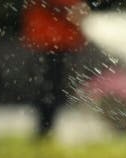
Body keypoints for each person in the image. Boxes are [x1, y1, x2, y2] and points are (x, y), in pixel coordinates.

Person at [22, 0, 90, 137]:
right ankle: (44, 129)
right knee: (48, 88)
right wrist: (68, 9)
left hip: (62, 41)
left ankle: (47, 129)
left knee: (54, 87)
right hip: (48, 41)